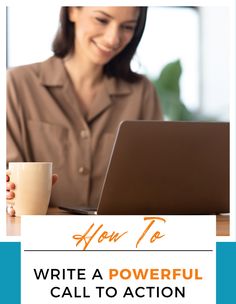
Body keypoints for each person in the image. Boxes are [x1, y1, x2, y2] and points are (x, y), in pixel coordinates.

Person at [6, 6, 162, 216]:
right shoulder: (16, 85)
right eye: (101, 20)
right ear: (72, 11)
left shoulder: (142, 92)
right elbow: (8, 175)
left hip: (118, 236)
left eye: (127, 27)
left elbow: (155, 178)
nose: (112, 39)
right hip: (40, 234)